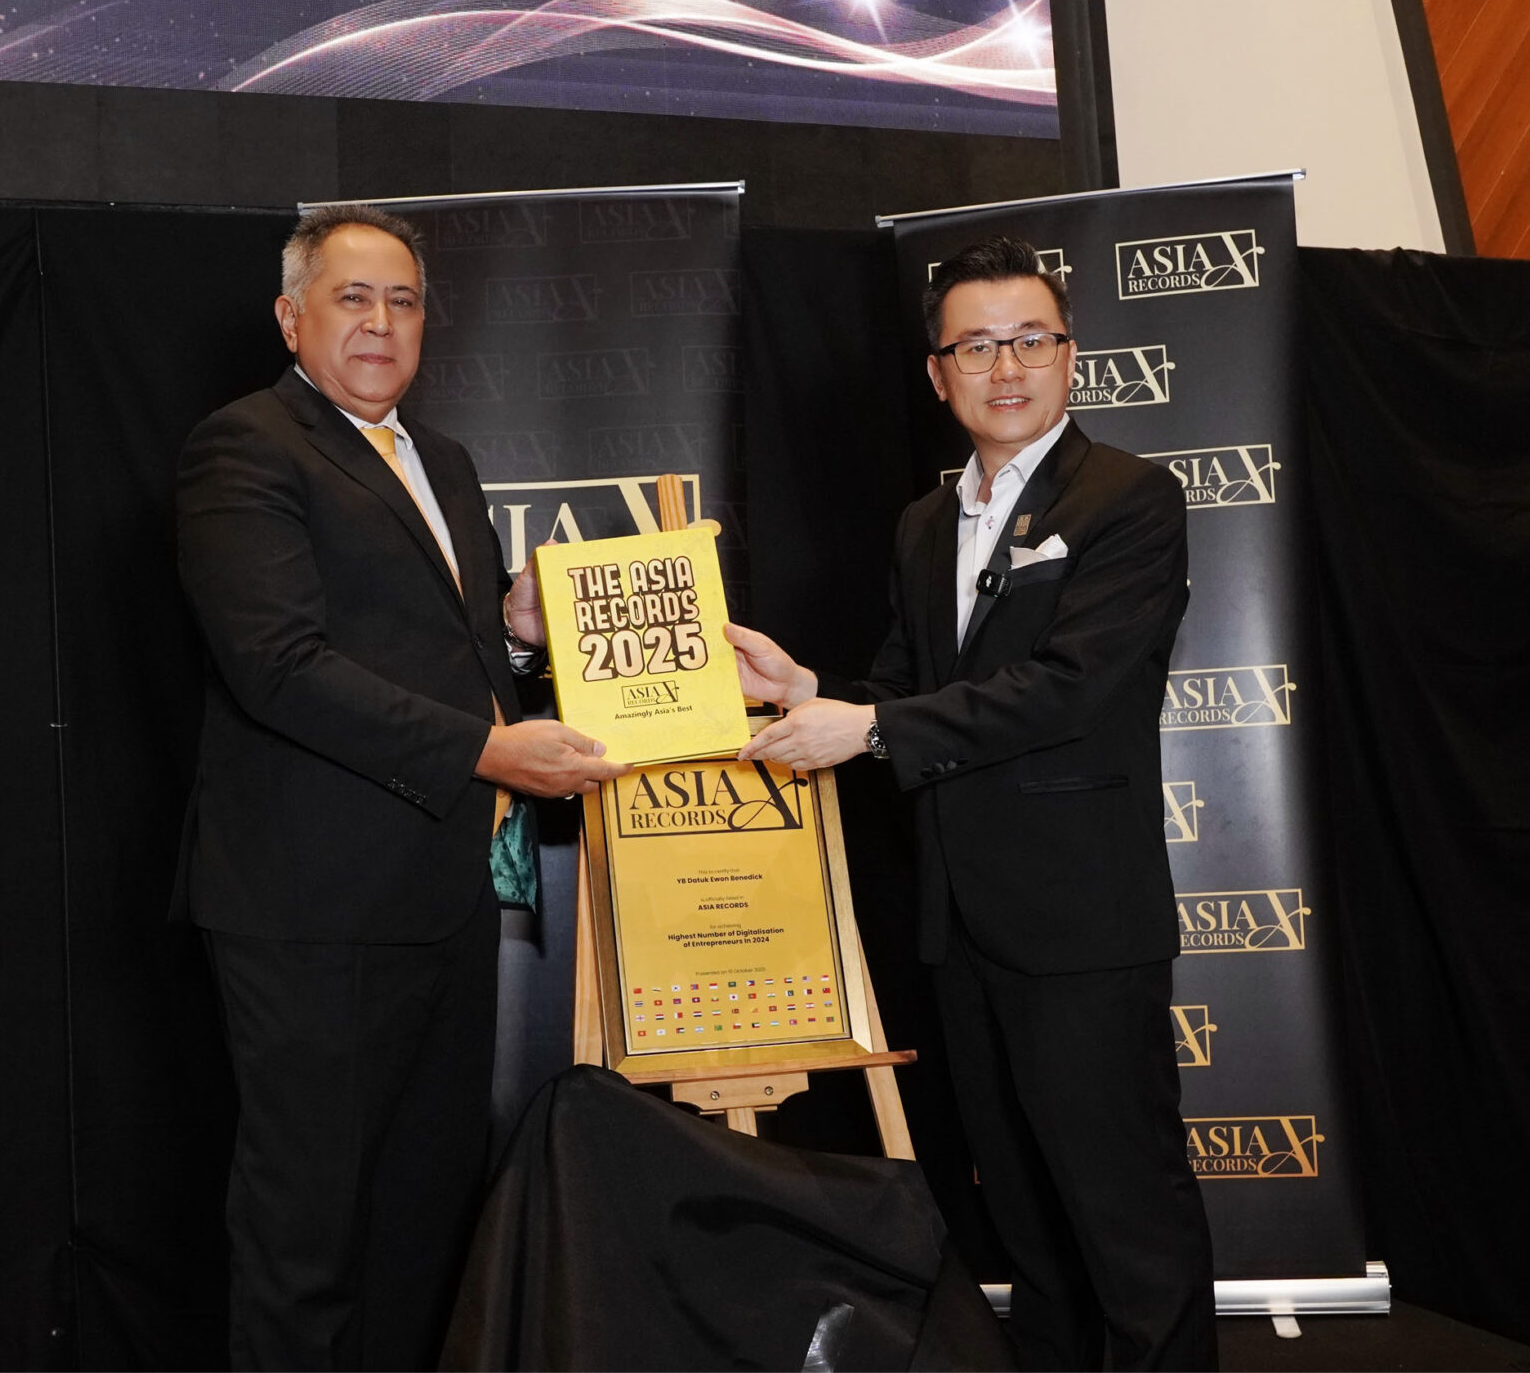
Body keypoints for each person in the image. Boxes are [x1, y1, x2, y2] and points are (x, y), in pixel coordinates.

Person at [726, 235, 1218, 1370]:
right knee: (1027, 1220)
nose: (1009, 367)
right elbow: (904, 692)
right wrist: (806, 690)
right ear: (938, 373)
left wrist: (875, 728)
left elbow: (1070, 688)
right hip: (964, 922)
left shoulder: (1129, 498)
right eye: (978, 346)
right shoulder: (922, 523)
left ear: (1070, 355)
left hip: (1082, 923)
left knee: (1123, 1208)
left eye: (1032, 340)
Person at [173, 203, 627, 1370]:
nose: (381, 322)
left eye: (404, 300)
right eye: (352, 297)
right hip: (309, 910)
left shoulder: (449, 461)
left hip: (439, 897)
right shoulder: (246, 448)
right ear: (291, 318)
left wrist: (519, 635)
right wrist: (490, 751)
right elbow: (278, 668)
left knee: (422, 1217)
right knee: (307, 1226)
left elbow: (444, 652)